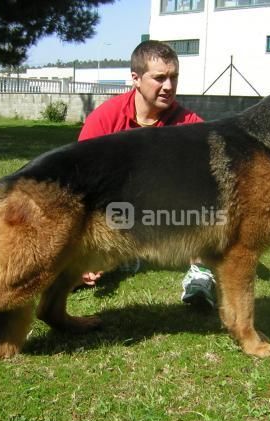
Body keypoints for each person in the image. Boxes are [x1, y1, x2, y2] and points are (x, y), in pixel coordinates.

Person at [78, 40, 217, 308]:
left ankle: (200, 274)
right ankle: (107, 256)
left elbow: (230, 165)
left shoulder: (188, 124)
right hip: (113, 210)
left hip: (164, 212)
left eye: (174, 77)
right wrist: (83, 251)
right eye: (159, 78)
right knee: (68, 269)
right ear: (136, 79)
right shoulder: (105, 118)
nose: (168, 86)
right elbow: (80, 182)